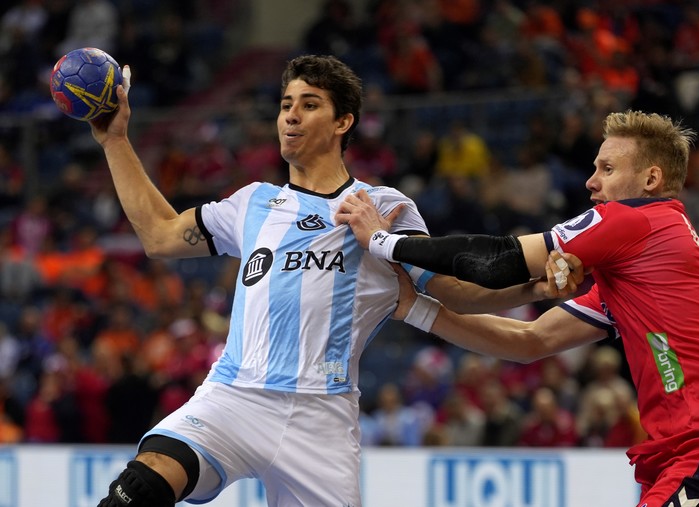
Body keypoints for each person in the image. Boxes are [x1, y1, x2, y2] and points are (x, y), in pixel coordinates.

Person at [89, 54, 573, 507]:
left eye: (309, 104)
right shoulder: (253, 201)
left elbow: (456, 294)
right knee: (140, 484)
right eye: (285, 105)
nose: (291, 116)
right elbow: (159, 234)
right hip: (233, 397)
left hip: (320, 420)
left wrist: (534, 287)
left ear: (344, 123)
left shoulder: (381, 207)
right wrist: (115, 140)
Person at [336, 109, 699, 506]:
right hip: (686, 448)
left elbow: (499, 259)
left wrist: (383, 241)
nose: (591, 182)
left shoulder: (635, 220)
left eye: (606, 168)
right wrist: (414, 307)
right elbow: (530, 341)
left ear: (650, 179)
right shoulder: (647, 270)